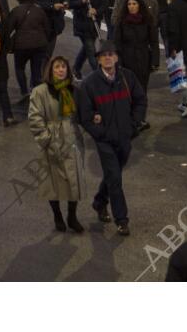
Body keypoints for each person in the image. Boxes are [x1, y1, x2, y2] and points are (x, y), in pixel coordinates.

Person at [76, 40, 146, 235]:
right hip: (104, 140)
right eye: (103, 55)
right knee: (115, 177)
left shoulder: (127, 77)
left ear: (116, 57)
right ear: (98, 60)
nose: (107, 57)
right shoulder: (89, 84)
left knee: (112, 174)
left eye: (111, 54)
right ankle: (122, 219)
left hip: (125, 137)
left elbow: (140, 100)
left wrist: (134, 124)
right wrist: (100, 134)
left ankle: (99, 202)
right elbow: (85, 115)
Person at [28, 56, 87, 233]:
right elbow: (35, 118)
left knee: (73, 180)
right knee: (52, 183)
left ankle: (72, 216)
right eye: (57, 67)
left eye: (64, 67)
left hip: (73, 140)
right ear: (51, 70)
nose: (61, 70)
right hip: (53, 141)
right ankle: (57, 216)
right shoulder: (40, 91)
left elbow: (82, 113)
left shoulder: (73, 90)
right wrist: (47, 139)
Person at [110, 0, 156, 118]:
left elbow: (154, 42)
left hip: (143, 59)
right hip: (126, 60)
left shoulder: (147, 21)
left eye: (134, 4)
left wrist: (154, 61)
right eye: (129, 4)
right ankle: (130, 117)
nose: (131, 6)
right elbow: (116, 43)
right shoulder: (121, 21)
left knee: (141, 91)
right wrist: (117, 62)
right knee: (127, 91)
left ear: (139, 5)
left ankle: (141, 118)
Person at [8, 0, 51, 102]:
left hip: (22, 46)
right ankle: (36, 94)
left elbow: (8, 29)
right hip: (39, 44)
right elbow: (47, 28)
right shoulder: (39, 10)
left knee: (19, 68)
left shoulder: (16, 11)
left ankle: (24, 91)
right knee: (36, 71)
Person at [68, 0, 105, 77]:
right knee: (91, 50)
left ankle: (76, 68)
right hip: (82, 24)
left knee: (86, 48)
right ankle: (99, 75)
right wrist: (82, 1)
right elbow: (70, 4)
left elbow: (105, 2)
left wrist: (96, 11)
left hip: (94, 24)